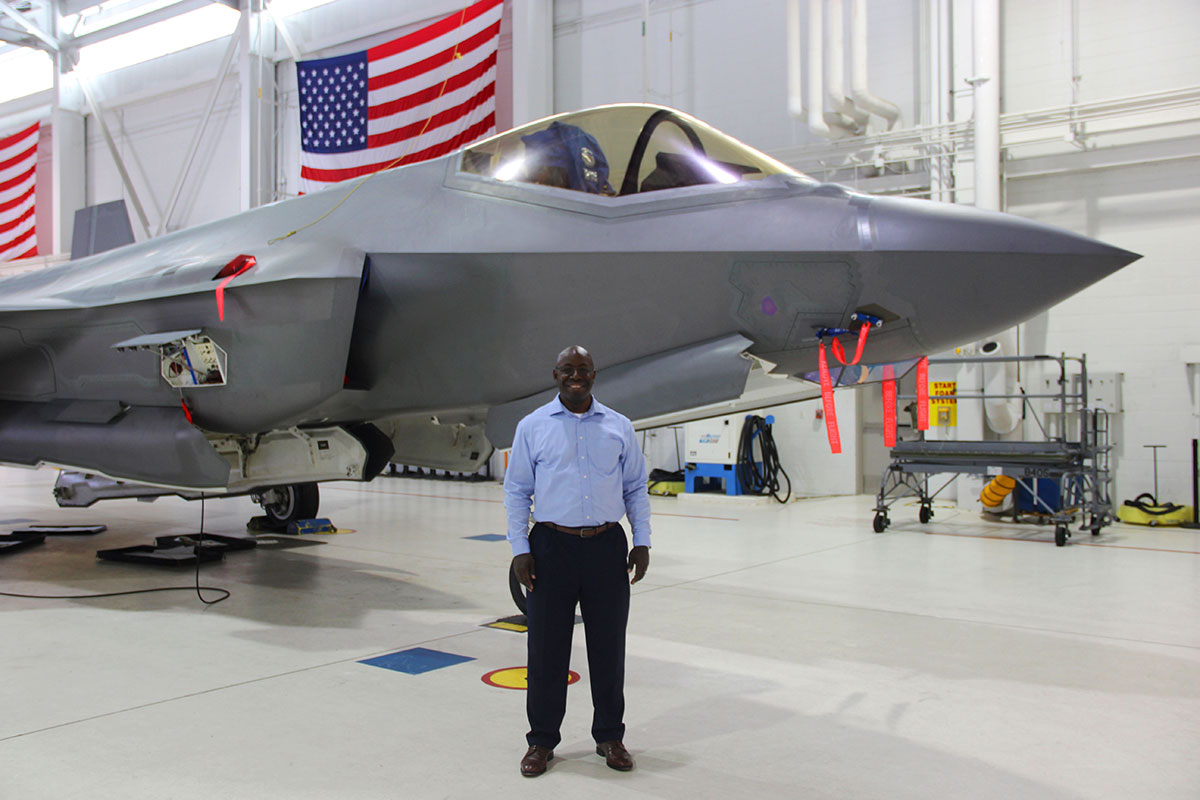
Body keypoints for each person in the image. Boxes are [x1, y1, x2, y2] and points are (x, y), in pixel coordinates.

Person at [504, 345, 651, 777]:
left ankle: (610, 736)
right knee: (546, 649)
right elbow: (516, 491)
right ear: (555, 375)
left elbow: (636, 487)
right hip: (551, 546)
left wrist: (641, 541)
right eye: (568, 369)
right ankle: (541, 742)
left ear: (593, 375)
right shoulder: (533, 427)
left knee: (609, 647)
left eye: (583, 369)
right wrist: (520, 549)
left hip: (607, 548)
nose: (576, 376)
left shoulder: (618, 426)